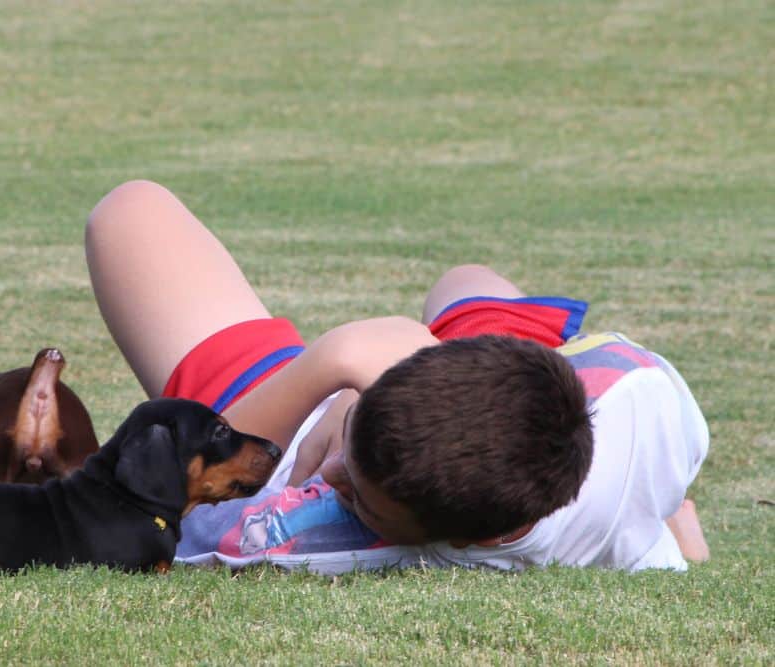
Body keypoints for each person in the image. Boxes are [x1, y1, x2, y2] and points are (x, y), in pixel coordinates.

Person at [85, 179, 709, 574]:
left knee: (130, 211)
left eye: (356, 499)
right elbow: (661, 535)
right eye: (352, 441)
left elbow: (167, 505)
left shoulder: (319, 548)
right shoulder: (639, 391)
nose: (331, 474)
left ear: (455, 545)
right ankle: (446, 349)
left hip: (295, 420)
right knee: (468, 282)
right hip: (549, 389)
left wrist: (333, 362)